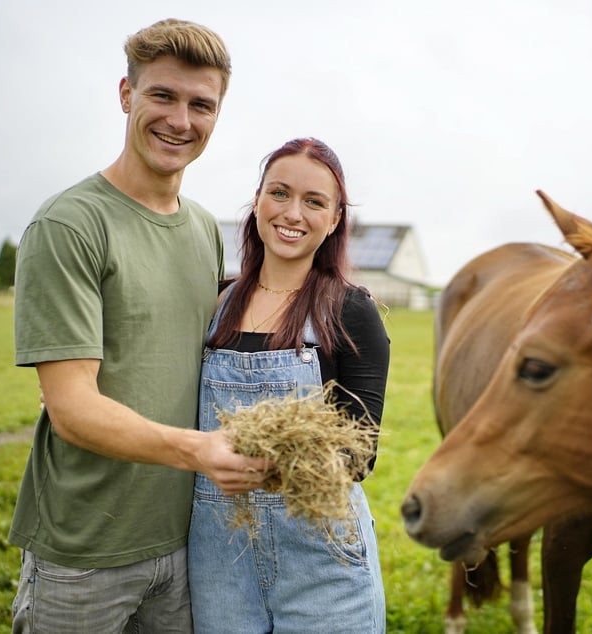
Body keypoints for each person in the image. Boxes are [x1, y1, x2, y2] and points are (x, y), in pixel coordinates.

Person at [9, 19, 271, 634]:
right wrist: (201, 451)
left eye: (201, 104)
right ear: (126, 95)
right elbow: (72, 408)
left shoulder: (204, 228)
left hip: (187, 543)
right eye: (163, 96)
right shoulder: (70, 225)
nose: (180, 120)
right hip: (85, 551)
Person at [187, 138, 390, 633]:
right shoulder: (215, 305)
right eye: (279, 193)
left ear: (335, 219)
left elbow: (359, 456)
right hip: (220, 558)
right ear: (258, 201)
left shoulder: (350, 311)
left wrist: (267, 464)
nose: (292, 213)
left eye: (314, 201)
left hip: (322, 558)